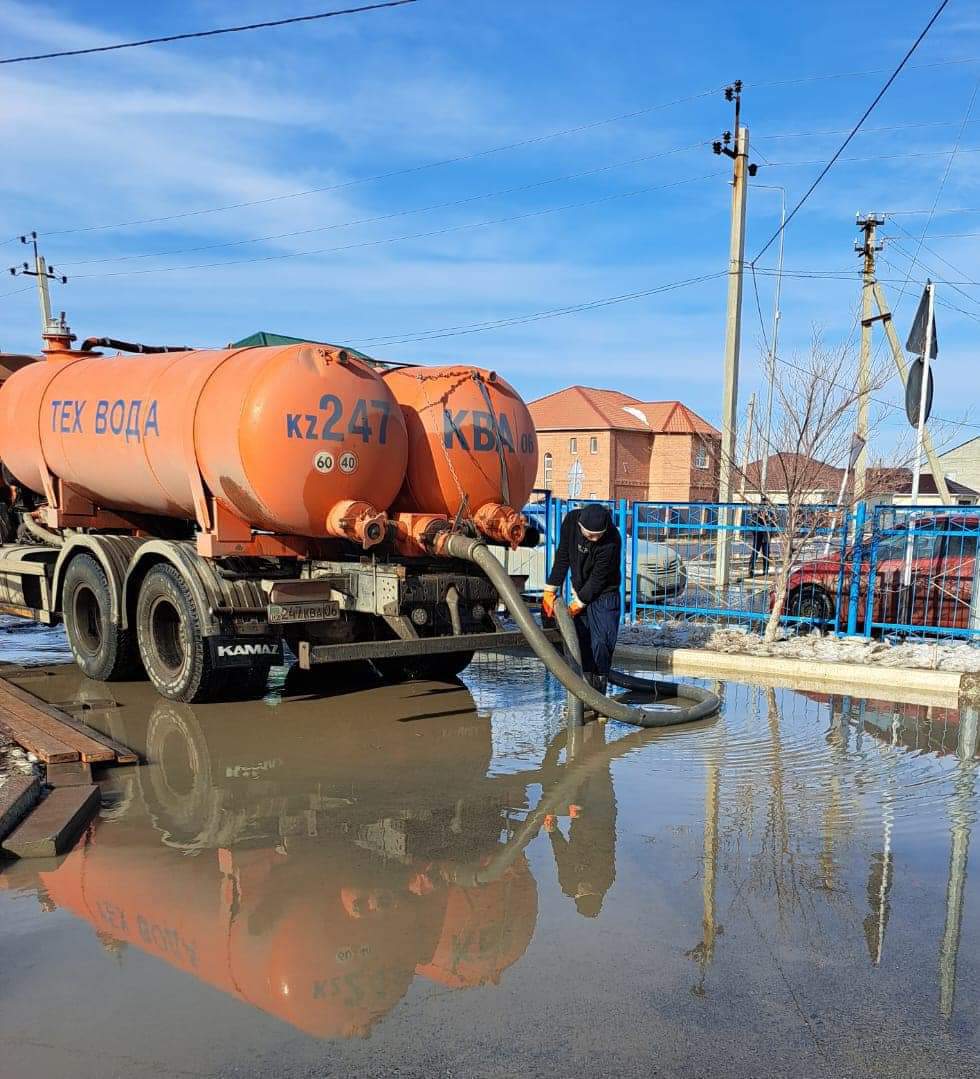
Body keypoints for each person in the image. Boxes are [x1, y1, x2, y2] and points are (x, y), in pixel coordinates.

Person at [541, 503, 622, 692]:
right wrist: (550, 589)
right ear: (580, 525)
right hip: (580, 590)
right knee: (581, 642)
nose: (594, 539)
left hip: (604, 595)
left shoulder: (612, 540)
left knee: (602, 643)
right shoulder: (570, 521)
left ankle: (600, 690)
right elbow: (563, 556)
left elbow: (598, 580)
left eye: (598, 535)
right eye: (589, 535)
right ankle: (585, 689)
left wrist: (578, 604)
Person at [747, 503, 774, 578]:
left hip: (766, 537)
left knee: (766, 554)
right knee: (755, 553)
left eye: (765, 507)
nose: (764, 509)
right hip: (758, 536)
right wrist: (755, 533)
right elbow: (751, 524)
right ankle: (751, 570)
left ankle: (765, 570)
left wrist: (770, 534)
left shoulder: (770, 514)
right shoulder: (756, 514)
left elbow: (773, 525)